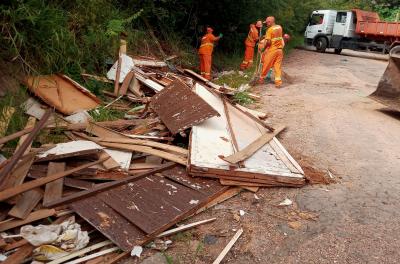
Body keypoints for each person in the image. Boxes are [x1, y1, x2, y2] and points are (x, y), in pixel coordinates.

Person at [258, 16, 284, 88]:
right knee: (277, 67)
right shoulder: (279, 27)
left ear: (270, 22)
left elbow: (269, 42)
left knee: (266, 65)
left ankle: (261, 79)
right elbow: (277, 37)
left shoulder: (269, 30)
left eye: (267, 23)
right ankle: (278, 83)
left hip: (273, 50)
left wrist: (264, 49)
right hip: (280, 50)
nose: (266, 24)